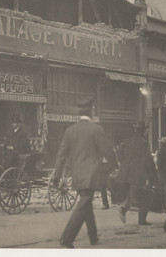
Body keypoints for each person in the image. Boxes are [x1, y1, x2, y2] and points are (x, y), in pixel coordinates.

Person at [53, 98, 117, 248]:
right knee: (84, 204)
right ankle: (67, 238)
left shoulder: (70, 131)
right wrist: (113, 166)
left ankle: (93, 237)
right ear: (92, 111)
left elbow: (61, 155)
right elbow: (108, 151)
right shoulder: (96, 129)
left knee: (86, 204)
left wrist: (57, 176)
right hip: (93, 175)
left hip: (77, 175)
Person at [117, 120, 157, 225]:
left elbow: (119, 155)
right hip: (137, 174)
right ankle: (125, 209)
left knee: (133, 194)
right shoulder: (144, 143)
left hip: (124, 174)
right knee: (145, 195)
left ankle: (127, 208)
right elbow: (147, 160)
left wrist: (125, 165)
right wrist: (151, 175)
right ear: (144, 131)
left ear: (135, 130)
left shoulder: (126, 141)